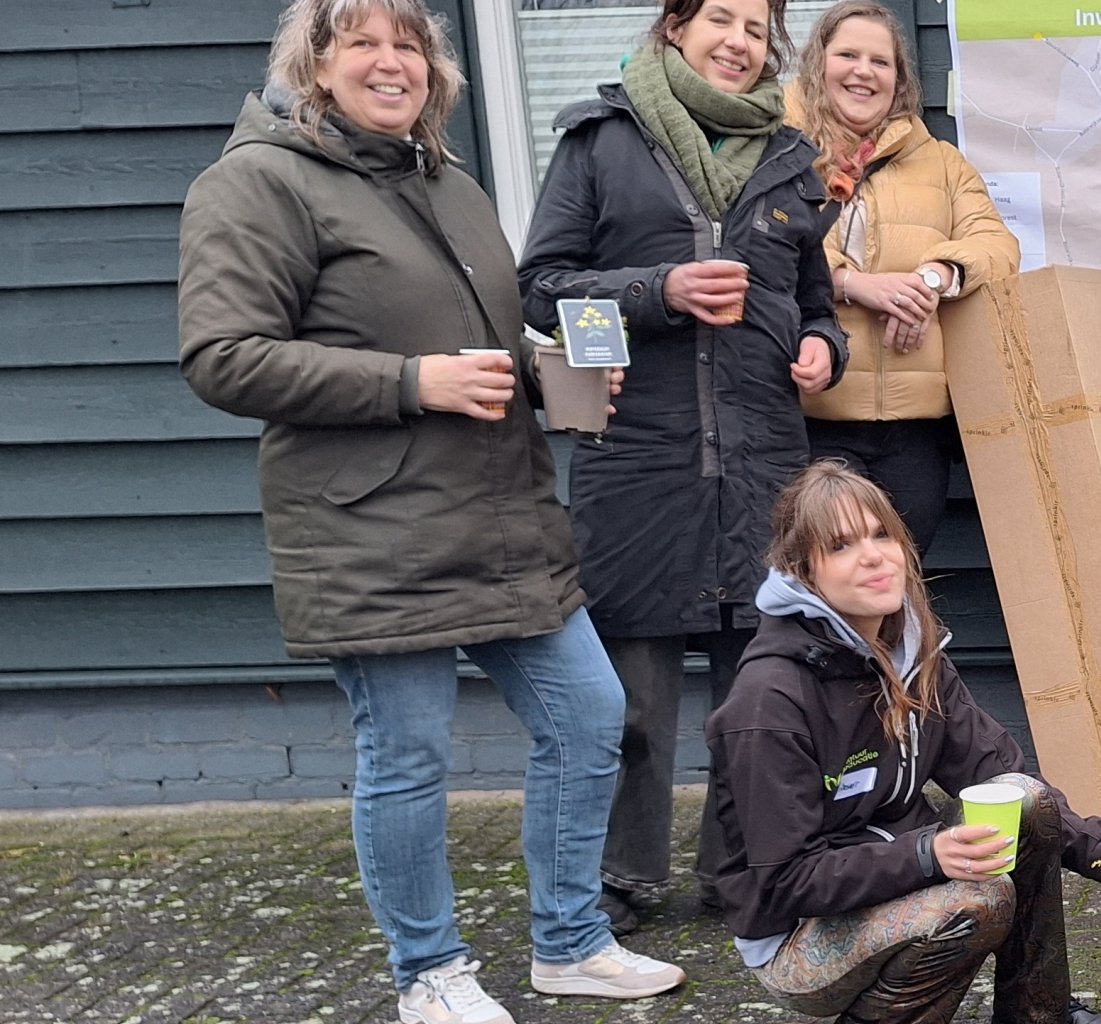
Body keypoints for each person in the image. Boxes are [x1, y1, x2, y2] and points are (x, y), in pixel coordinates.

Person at [177, 1, 682, 1020]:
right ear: (313, 65)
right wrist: (413, 382)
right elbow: (223, 356)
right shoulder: (257, 182)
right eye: (360, 41)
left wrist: (548, 378)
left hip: (502, 517)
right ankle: (430, 973)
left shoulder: (447, 183)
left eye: (408, 42)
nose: (389, 60)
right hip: (369, 527)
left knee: (589, 718)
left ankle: (571, 940)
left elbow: (482, 337)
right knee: (406, 757)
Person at [517, 0, 850, 933]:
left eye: (755, 27)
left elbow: (815, 302)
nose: (739, 41)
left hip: (763, 472)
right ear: (675, 26)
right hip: (638, 467)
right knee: (629, 705)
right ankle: (620, 879)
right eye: (720, 19)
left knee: (759, 699)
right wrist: (652, 293)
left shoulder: (790, 160)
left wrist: (825, 349)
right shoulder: (602, 138)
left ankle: (738, 872)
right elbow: (541, 289)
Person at [706, 463, 1101, 1024]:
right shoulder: (769, 700)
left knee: (1024, 800)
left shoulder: (912, 655)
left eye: (882, 534)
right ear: (803, 571)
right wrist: (927, 853)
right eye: (841, 545)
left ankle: (1039, 1016)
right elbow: (787, 880)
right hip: (794, 935)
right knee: (976, 903)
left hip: (888, 880)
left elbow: (1002, 773)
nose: (874, 555)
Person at [787, 0, 1020, 554]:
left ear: (900, 78)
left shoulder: (940, 161)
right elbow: (763, 252)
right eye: (847, 55)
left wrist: (932, 280)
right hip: (812, 419)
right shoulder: (778, 152)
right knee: (822, 585)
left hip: (915, 428)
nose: (863, 72)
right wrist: (854, 284)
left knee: (902, 582)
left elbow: (998, 247)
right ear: (818, 63)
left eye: (880, 61)